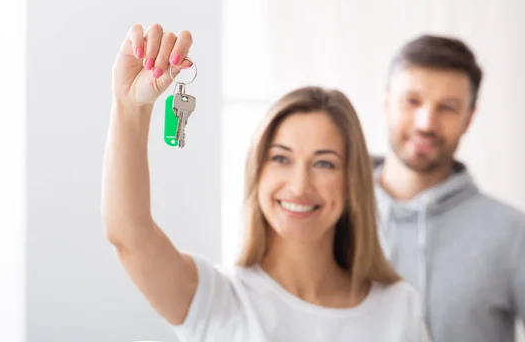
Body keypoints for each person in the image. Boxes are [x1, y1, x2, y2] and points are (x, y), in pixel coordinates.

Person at [101, 23, 431, 342]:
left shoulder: (398, 308)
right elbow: (130, 236)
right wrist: (131, 107)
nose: (300, 186)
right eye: (281, 158)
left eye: (324, 163)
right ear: (257, 173)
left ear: (352, 181)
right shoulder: (216, 300)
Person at [373, 34, 525, 342]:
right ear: (386, 104)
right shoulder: (336, 215)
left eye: (447, 107)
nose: (426, 123)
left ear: (468, 119)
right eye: (412, 101)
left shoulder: (511, 233)